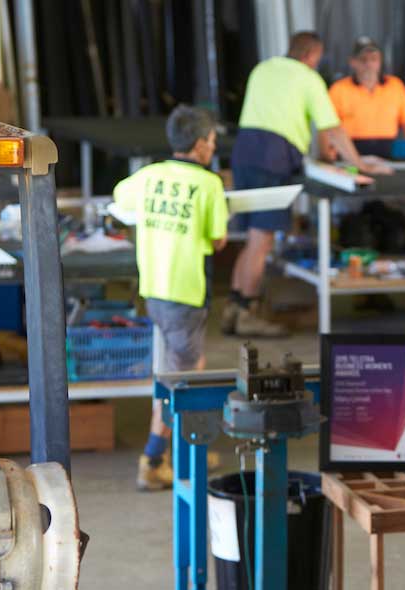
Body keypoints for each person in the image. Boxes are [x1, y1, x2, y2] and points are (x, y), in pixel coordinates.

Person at [225, 30, 381, 337]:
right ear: (311, 55)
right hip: (273, 156)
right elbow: (332, 127)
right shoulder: (309, 79)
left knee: (252, 237)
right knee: (262, 239)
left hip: (244, 151)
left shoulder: (263, 68)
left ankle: (233, 308)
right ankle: (247, 313)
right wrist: (360, 164)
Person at [112, 105, 228, 491]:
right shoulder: (209, 185)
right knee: (183, 380)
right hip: (186, 293)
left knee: (172, 370)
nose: (213, 149)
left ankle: (181, 449)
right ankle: (157, 457)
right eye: (212, 142)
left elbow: (120, 199)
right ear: (199, 145)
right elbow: (217, 239)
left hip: (155, 290)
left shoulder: (148, 177)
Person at [327, 36, 405, 160]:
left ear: (380, 61)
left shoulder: (395, 86)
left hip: (388, 151)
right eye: (363, 60)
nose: (368, 64)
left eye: (373, 59)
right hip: (350, 152)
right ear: (352, 62)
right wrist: (330, 151)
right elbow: (329, 127)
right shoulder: (339, 89)